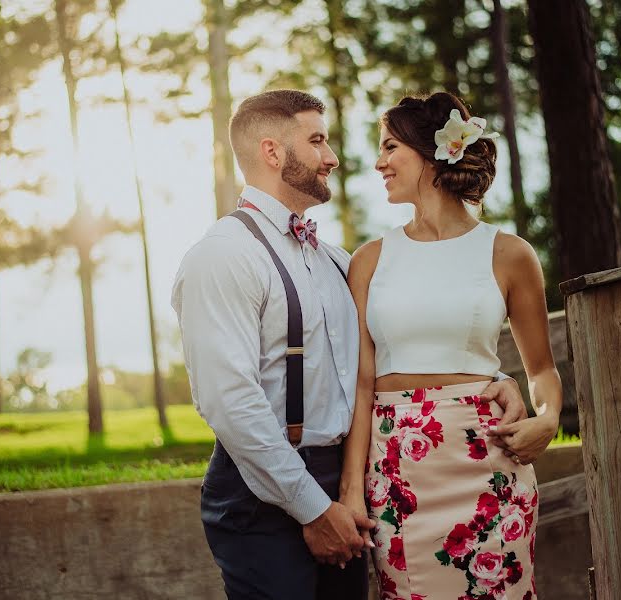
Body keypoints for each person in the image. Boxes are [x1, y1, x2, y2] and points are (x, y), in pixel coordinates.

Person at [172, 89, 529, 600]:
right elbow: (229, 403)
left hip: (345, 487)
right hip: (263, 494)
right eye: (317, 140)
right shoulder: (223, 256)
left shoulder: (336, 260)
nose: (333, 157)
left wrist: (494, 381)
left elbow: (392, 351)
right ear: (272, 152)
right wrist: (313, 510)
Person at [339, 92, 562, 600]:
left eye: (390, 146)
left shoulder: (510, 255)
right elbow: (360, 382)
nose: (379, 162)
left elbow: (542, 370)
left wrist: (548, 417)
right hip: (397, 472)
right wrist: (352, 488)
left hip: (488, 467)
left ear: (430, 153)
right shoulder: (369, 260)